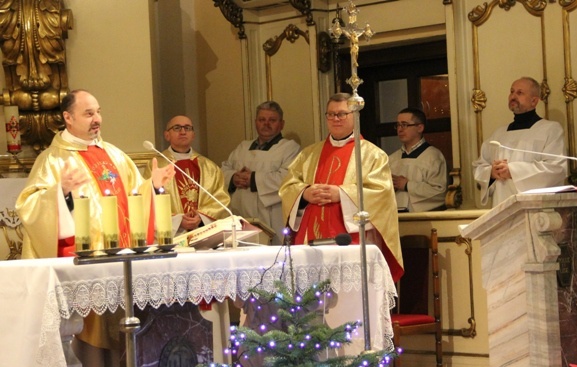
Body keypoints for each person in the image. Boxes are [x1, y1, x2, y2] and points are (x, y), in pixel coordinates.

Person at [15, 89, 175, 367]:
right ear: (67, 118)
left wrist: (154, 188)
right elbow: (30, 209)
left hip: (121, 273)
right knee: (90, 361)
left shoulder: (114, 155)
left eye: (98, 112)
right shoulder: (54, 160)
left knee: (124, 350)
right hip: (84, 278)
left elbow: (134, 199)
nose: (97, 119)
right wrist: (61, 194)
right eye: (88, 113)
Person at [279, 92, 403, 282]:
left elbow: (381, 194)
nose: (336, 119)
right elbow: (288, 186)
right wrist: (305, 193)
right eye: (331, 114)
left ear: (355, 116)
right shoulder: (309, 154)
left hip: (351, 239)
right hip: (308, 239)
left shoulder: (372, 155)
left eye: (342, 114)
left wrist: (343, 193)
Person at [473, 76, 567, 206]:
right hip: (501, 206)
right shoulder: (499, 134)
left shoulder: (550, 129)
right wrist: (491, 173)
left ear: (534, 101)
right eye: (512, 91)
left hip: (535, 209)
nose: (513, 96)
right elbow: (479, 166)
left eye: (520, 93)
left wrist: (512, 171)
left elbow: (556, 168)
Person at [222, 101, 300, 245]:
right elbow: (222, 172)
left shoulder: (290, 148)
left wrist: (252, 179)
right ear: (255, 122)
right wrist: (233, 178)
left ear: (281, 124)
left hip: (272, 216)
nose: (266, 124)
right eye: (262, 120)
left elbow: (287, 179)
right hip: (241, 215)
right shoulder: (242, 147)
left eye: (272, 120)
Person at [145, 115, 231, 237]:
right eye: (177, 128)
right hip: (173, 235)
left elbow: (221, 199)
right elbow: (148, 198)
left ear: (193, 135)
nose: (183, 132)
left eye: (187, 128)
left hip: (203, 233)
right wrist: (179, 220)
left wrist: (201, 217)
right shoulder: (156, 166)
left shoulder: (209, 167)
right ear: (167, 135)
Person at [388, 107, 447, 212]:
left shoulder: (433, 156)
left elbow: (440, 192)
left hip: (422, 218)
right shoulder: (392, 159)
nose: (400, 129)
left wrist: (407, 185)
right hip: (395, 216)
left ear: (420, 128)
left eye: (405, 125)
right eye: (398, 125)